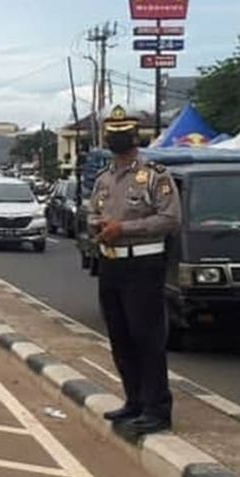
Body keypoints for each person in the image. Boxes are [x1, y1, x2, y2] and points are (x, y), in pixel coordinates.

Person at [90, 106, 181, 436]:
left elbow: (170, 219)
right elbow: (94, 213)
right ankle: (135, 400)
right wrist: (98, 226)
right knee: (120, 336)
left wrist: (125, 228)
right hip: (111, 262)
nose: (115, 138)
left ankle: (158, 408)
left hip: (143, 262)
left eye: (121, 133)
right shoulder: (104, 179)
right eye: (110, 133)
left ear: (134, 136)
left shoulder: (156, 175)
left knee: (147, 337)